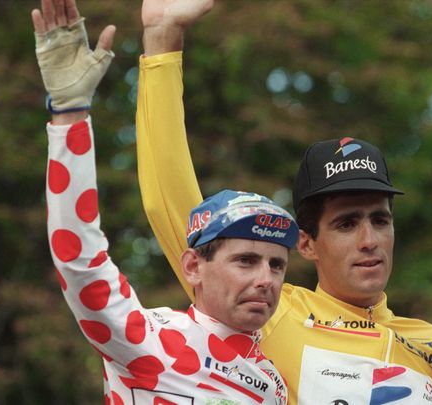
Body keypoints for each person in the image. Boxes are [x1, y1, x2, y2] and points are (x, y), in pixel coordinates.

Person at [137, 0, 432, 403]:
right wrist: (163, 40)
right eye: (346, 223)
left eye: (380, 220)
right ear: (306, 243)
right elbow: (171, 200)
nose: (369, 239)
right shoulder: (267, 306)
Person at [35, 1, 297, 403]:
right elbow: (78, 260)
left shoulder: (273, 381)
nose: (267, 279)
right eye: (246, 260)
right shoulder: (153, 339)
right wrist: (70, 114)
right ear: (192, 266)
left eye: (276, 264)